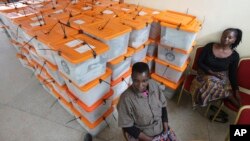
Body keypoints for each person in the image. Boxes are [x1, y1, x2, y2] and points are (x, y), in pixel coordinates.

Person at [117, 62, 177, 141]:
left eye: (144, 81)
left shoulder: (154, 85)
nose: (140, 85)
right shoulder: (125, 98)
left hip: (161, 128)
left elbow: (163, 106)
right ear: (131, 77)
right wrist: (151, 139)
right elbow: (127, 126)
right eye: (136, 81)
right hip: (144, 136)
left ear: (148, 78)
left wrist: (165, 128)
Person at [190, 28, 242, 110]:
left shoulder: (235, 56)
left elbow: (232, 74)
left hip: (221, 78)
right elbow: (200, 62)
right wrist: (212, 73)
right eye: (224, 36)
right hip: (204, 73)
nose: (226, 39)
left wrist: (236, 90)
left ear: (234, 40)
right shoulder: (210, 46)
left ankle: (241, 109)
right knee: (210, 82)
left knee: (211, 84)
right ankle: (230, 97)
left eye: (229, 37)